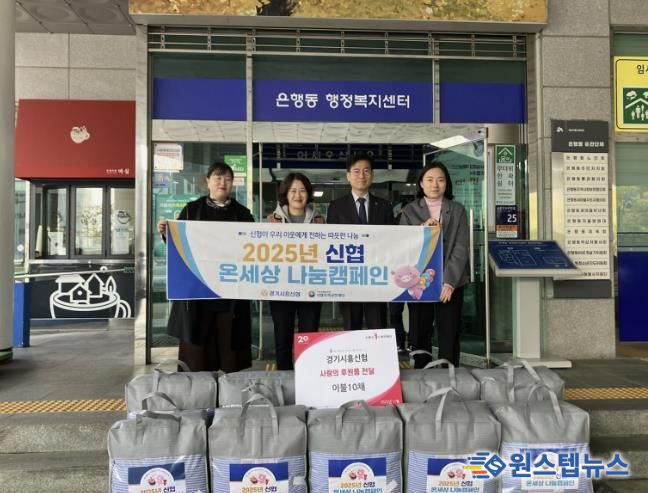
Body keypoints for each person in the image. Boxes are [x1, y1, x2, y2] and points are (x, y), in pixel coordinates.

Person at [157, 162, 255, 373]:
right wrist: (167, 234)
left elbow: (253, 250)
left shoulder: (243, 214)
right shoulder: (191, 211)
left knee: (230, 355)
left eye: (227, 179)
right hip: (198, 296)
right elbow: (179, 248)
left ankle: (229, 393)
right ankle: (200, 392)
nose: (222, 183)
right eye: (218, 178)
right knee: (197, 358)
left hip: (230, 296)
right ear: (208, 181)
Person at [400, 161, 469, 368]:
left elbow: (461, 247)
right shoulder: (409, 211)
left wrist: (449, 281)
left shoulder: (457, 210)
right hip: (419, 282)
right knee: (420, 331)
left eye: (440, 180)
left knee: (449, 331)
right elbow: (403, 244)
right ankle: (422, 373)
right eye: (429, 180)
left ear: (446, 183)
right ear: (421, 183)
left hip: (451, 283)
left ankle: (449, 374)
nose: (435, 185)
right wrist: (423, 229)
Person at [326, 152, 395, 330]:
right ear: (348, 176)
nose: (361, 176)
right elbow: (332, 243)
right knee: (351, 326)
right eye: (356, 171)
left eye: (366, 171)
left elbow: (393, 241)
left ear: (372, 175)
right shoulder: (336, 207)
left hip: (377, 277)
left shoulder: (384, 206)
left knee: (377, 325)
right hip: (349, 278)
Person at [267, 172, 325, 370]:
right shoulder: (271, 221)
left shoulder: (320, 221)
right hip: (281, 288)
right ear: (285, 193)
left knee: (309, 337)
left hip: (311, 287)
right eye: (293, 191)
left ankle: (307, 376)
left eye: (302, 191)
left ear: (308, 194)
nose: (298, 195)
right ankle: (284, 378)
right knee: (282, 338)